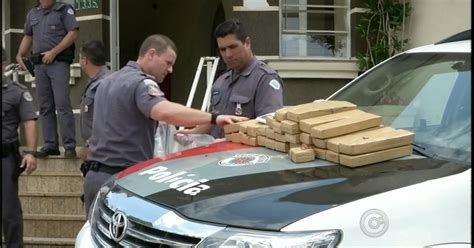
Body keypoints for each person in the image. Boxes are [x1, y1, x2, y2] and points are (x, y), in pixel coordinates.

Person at [81, 34, 248, 217]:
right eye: (168, 63)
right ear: (151, 54)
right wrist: (214, 118)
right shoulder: (141, 82)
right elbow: (165, 112)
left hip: (94, 178)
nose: (170, 70)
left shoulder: (107, 82)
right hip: (121, 181)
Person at [180, 19, 284, 139]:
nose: (228, 54)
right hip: (215, 154)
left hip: (244, 156)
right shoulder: (221, 81)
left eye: (233, 47)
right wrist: (192, 134)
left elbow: (268, 128)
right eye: (222, 49)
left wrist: (228, 141)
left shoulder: (265, 79)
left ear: (247, 43)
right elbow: (214, 122)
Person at [16, 0, 79, 158]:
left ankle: (69, 146)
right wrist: (19, 55)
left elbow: (73, 33)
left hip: (58, 63)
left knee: (62, 103)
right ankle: (50, 145)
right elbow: (28, 36)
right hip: (40, 66)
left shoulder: (64, 10)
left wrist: (54, 52)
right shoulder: (33, 14)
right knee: (45, 106)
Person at [2, 47, 38, 248]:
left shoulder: (16, 92)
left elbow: (30, 120)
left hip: (5, 159)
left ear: (3, 65)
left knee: (9, 212)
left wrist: (31, 152)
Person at [78, 40, 111, 160]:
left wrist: (90, 146)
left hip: (104, 153)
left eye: (80, 58)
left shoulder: (107, 83)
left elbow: (110, 120)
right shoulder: (94, 84)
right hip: (96, 151)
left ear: (85, 60)